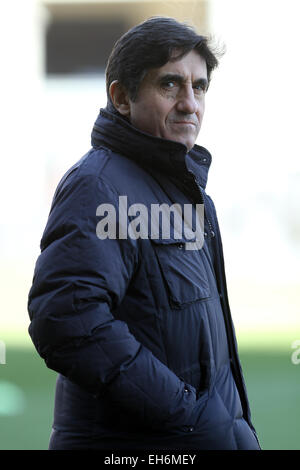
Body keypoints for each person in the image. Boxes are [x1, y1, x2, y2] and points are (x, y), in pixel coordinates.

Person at [27, 16, 260, 450]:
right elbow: (67, 319)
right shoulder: (99, 185)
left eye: (200, 87)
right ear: (121, 97)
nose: (190, 102)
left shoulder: (193, 197)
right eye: (170, 85)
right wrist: (183, 413)